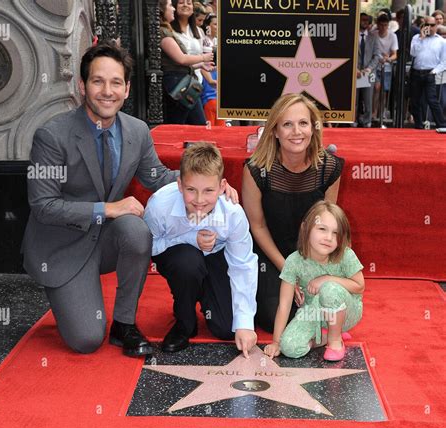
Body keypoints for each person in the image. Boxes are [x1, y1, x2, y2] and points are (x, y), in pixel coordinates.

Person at [22, 41, 237, 357]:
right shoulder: (52, 136)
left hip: (106, 241)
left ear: (126, 89)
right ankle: (68, 291)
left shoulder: (136, 131)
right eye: (98, 81)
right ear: (82, 86)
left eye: (116, 82)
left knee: (137, 231)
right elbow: (43, 205)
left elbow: (159, 178)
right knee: (86, 340)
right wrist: (109, 208)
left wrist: (209, 184)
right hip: (62, 244)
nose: (106, 91)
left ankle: (124, 324)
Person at [242, 94, 344, 334]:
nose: (296, 132)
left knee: (323, 304)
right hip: (271, 254)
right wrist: (289, 269)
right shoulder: (256, 170)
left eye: (303, 123)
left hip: (312, 254)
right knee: (275, 317)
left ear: (313, 128)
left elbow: (329, 226)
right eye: (287, 124)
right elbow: (257, 227)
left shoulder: (329, 167)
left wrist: (311, 270)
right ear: (275, 130)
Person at [144, 142, 258, 357]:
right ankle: (184, 322)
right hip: (179, 258)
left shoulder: (233, 212)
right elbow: (147, 245)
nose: (198, 200)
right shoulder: (159, 205)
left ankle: (206, 292)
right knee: (187, 262)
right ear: (179, 185)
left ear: (223, 186)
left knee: (226, 328)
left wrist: (245, 323)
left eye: (208, 191)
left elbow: (242, 264)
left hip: (216, 257)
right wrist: (189, 238)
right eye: (190, 190)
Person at [264, 201, 364, 362]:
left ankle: (335, 341)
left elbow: (359, 286)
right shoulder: (293, 261)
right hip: (314, 312)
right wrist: (276, 342)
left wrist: (327, 279)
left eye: (335, 233)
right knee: (288, 347)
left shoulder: (346, 255)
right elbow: (284, 304)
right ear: (306, 228)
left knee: (329, 289)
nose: (328, 238)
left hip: (347, 312)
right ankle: (325, 336)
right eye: (322, 229)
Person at [159, 0, 213, 124]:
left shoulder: (196, 31)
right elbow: (181, 59)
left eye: (189, 3)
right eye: (171, 6)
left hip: (188, 82)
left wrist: (200, 65)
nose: (173, 9)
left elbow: (180, 62)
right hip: (178, 85)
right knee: (192, 125)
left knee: (192, 124)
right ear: (162, 11)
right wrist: (203, 58)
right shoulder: (164, 32)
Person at [410, 17, 446, 128]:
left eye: (432, 25)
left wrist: (434, 72)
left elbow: (443, 61)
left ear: (436, 26)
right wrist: (421, 37)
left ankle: (442, 124)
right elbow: (413, 53)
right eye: (427, 24)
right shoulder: (416, 38)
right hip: (417, 72)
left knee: (432, 100)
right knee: (415, 101)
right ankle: (418, 125)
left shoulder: (441, 41)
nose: (429, 27)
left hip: (430, 73)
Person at [356, 12, 381, 128]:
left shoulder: (373, 36)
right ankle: (353, 121)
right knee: (354, 100)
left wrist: (369, 69)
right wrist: (355, 69)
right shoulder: (352, 35)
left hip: (368, 73)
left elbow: (377, 56)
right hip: (355, 73)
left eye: (367, 20)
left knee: (368, 100)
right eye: (363, 20)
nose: (365, 22)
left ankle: (366, 122)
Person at [372, 14, 398, 122]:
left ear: (388, 25)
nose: (383, 27)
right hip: (374, 66)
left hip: (386, 67)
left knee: (384, 90)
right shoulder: (373, 35)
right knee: (376, 88)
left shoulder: (392, 36)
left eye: (385, 25)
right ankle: (374, 112)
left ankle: (381, 111)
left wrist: (389, 59)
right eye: (381, 25)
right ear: (378, 25)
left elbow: (394, 54)